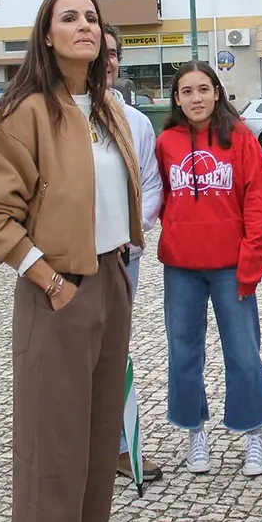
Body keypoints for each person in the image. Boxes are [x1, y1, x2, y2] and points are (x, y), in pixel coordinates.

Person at [0, 0, 143, 522]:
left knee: (97, 442)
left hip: (112, 280)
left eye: (92, 18)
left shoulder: (110, 110)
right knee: (54, 447)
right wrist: (49, 279)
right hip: (59, 289)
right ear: (47, 35)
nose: (85, 26)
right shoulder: (28, 113)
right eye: (70, 18)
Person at [155, 61, 262, 477]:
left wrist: (251, 264)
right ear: (176, 99)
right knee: (183, 353)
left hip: (230, 266)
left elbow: (259, 203)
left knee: (243, 352)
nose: (196, 98)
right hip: (181, 267)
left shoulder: (240, 137)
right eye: (186, 91)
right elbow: (157, 196)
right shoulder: (167, 141)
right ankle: (194, 431)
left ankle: (254, 430)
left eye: (203, 89)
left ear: (217, 92)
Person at [101, 24, 164, 484]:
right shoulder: (57, 114)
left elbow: (151, 187)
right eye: (99, 53)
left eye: (113, 54)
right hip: (67, 260)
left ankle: (122, 448)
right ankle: (77, 449)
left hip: (124, 256)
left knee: (115, 349)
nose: (107, 62)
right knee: (72, 355)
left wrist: (129, 234)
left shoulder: (137, 122)